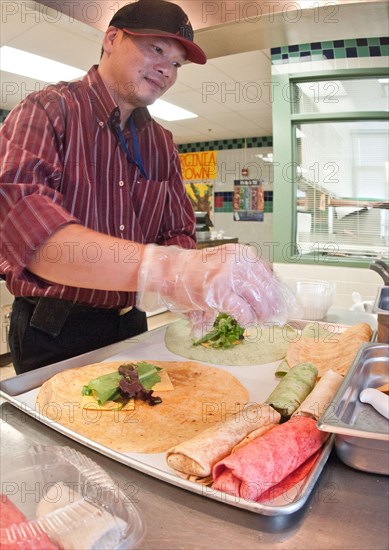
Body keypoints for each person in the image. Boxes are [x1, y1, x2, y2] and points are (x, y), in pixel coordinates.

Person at [0, 0, 295, 375]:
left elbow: (178, 232)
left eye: (176, 64)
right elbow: (31, 235)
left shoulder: (160, 142)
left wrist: (197, 290)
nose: (166, 70)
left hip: (132, 323)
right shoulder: (47, 110)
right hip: (55, 329)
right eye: (156, 49)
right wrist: (170, 270)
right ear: (111, 38)